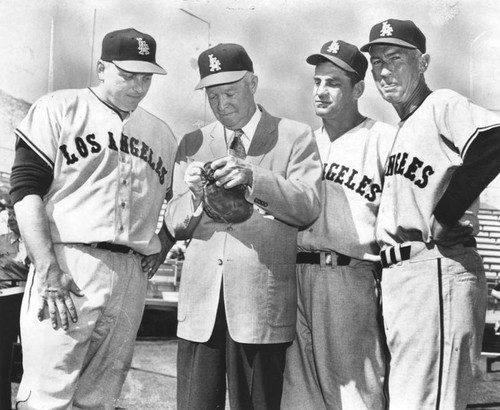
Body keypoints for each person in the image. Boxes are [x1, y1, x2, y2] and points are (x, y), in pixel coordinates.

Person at [9, 27, 177, 409]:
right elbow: (25, 189)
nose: (138, 86)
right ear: (102, 68)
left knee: (101, 398)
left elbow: (178, 204)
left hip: (132, 272)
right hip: (69, 263)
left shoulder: (162, 134)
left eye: (146, 77)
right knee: (48, 394)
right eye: (127, 74)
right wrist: (47, 266)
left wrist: (164, 243)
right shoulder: (59, 107)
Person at [164, 43, 322, 410]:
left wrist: (254, 178)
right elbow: (174, 221)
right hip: (200, 309)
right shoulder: (193, 142)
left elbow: (308, 207)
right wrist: (193, 196)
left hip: (259, 310)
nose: (221, 104)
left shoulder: (295, 136)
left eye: (229, 91)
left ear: (253, 82)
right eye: (212, 95)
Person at [361, 18, 500, 409]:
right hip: (403, 276)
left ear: (423, 62)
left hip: (433, 267)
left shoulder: (441, 104)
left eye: (395, 58)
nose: (383, 69)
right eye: (376, 62)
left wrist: (447, 212)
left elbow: (494, 139)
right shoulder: (404, 126)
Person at [280, 40, 395, 410]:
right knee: (298, 397)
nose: (320, 91)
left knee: (356, 395)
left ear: (358, 89)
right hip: (295, 275)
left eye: (333, 83)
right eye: (317, 82)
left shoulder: (383, 139)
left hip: (348, 277)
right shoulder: (302, 143)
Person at [0, 205, 29, 410]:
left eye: (15, 213)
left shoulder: (41, 240)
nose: (11, 218)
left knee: (33, 360)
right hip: (6, 299)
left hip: (31, 300)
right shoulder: (2, 240)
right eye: (9, 214)